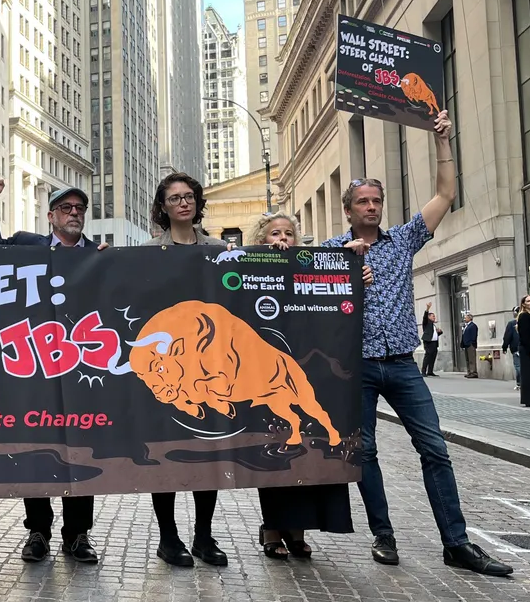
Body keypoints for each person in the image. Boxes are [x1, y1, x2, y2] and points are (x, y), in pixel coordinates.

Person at [322, 110, 511, 577]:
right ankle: (383, 535)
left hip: (404, 365)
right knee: (364, 453)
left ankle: (457, 543)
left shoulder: (403, 240)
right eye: (362, 201)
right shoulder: (329, 250)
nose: (370, 207)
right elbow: (292, 284)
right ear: (348, 210)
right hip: (357, 368)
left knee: (434, 449)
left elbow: (446, 193)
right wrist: (342, 269)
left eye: (376, 201)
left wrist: (443, 139)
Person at [0, 176, 106, 564]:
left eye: (79, 208)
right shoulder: (28, 244)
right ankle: (38, 531)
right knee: (39, 447)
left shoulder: (101, 253)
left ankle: (78, 534)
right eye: (66, 208)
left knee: (81, 448)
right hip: (34, 364)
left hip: (81, 367)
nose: (74, 213)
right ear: (51, 217)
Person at [247, 212, 372, 560]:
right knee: (277, 449)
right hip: (267, 371)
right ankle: (272, 529)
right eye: (275, 234)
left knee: (308, 447)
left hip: (304, 368)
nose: (283, 239)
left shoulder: (311, 270)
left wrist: (353, 272)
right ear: (262, 241)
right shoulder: (250, 271)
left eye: (289, 233)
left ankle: (297, 532)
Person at [137, 172, 229, 568]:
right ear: (163, 206)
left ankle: (205, 536)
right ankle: (168, 537)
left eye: (189, 196)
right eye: (174, 198)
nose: (183, 203)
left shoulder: (221, 248)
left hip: (210, 366)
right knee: (167, 453)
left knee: (208, 451)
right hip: (169, 368)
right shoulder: (148, 251)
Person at [419, 304, 442, 377]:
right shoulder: (426, 323)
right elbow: (425, 317)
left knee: (433, 357)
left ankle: (430, 371)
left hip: (434, 343)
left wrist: (439, 332)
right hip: (428, 342)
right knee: (428, 356)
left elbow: (434, 334)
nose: (434, 317)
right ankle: (423, 371)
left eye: (434, 316)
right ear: (429, 317)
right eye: (433, 316)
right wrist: (427, 309)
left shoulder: (433, 325)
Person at [502, 307, 521, 390]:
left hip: (516, 348)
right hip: (519, 348)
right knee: (520, 366)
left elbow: (507, 337)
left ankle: (519, 383)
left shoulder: (512, 324)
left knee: (518, 366)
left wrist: (505, 347)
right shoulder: (512, 324)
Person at [460, 314, 478, 379]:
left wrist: (471, 342)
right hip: (466, 345)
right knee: (467, 359)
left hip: (470, 345)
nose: (465, 319)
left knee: (471, 359)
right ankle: (469, 372)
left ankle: (473, 372)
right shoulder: (466, 326)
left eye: (466, 318)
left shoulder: (473, 326)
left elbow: (474, 336)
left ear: (470, 318)